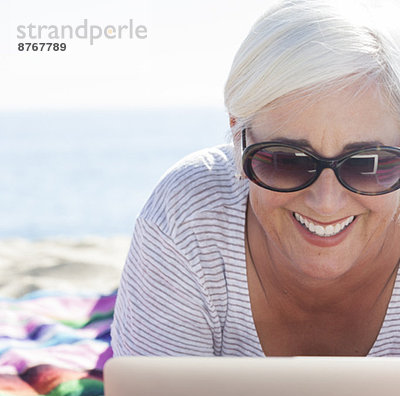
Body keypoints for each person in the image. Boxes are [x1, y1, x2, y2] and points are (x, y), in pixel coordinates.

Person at [111, 0, 400, 358]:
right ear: (238, 136)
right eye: (286, 160)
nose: (326, 201)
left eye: (367, 164)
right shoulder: (188, 217)